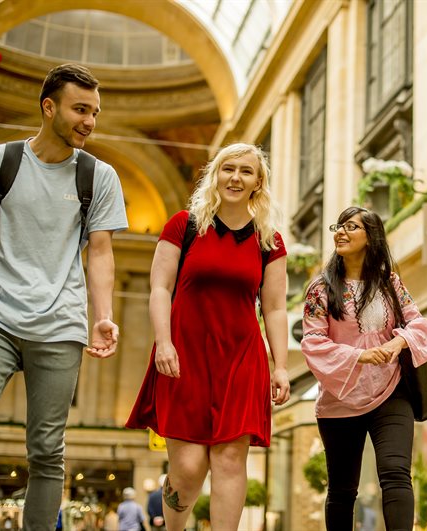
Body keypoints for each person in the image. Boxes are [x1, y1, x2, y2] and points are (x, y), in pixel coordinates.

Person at [0, 63, 127, 529]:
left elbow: (100, 253)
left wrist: (101, 316)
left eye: (95, 112)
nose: (90, 121)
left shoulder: (98, 176)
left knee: (46, 449)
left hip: (60, 324)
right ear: (49, 107)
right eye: (80, 109)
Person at [126, 143, 290, 531]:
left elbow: (276, 309)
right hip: (184, 355)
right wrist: (163, 342)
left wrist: (280, 366)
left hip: (241, 356)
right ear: (215, 175)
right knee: (187, 466)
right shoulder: (184, 225)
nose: (236, 177)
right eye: (228, 168)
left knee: (231, 460)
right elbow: (160, 289)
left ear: (258, 182)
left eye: (246, 171)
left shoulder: (270, 240)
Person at [301, 206, 427, 529]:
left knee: (395, 472)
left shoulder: (389, 283)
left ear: (371, 236)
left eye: (351, 227)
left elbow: (420, 324)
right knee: (343, 489)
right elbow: (312, 341)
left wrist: (397, 342)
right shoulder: (321, 288)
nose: (341, 232)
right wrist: (358, 356)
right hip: (340, 398)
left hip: (391, 390)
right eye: (339, 226)